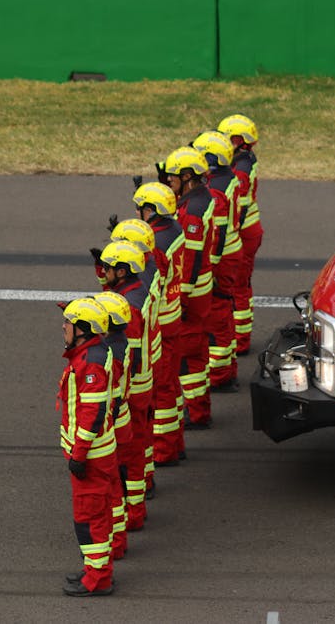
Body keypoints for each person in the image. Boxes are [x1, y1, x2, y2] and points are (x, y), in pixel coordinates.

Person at [58, 297, 116, 597]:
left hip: (90, 456)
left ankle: (97, 579)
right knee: (96, 517)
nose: (63, 327)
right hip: (97, 453)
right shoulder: (91, 354)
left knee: (88, 519)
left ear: (83, 329)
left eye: (68, 322)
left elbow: (92, 413)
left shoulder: (90, 363)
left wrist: (78, 455)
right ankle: (96, 569)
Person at [96, 243, 150, 531]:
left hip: (132, 396)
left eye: (107, 268)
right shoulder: (134, 293)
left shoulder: (129, 309)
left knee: (128, 463)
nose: (103, 273)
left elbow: (131, 359)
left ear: (122, 270)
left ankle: (134, 513)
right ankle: (135, 508)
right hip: (136, 390)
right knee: (134, 457)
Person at [131, 182, 186, 467]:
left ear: (151, 209)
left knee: (161, 388)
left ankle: (164, 450)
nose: (138, 212)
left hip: (161, 323)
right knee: (172, 383)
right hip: (174, 314)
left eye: (141, 208)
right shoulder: (175, 230)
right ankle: (176, 441)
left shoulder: (158, 242)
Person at [164, 146, 215, 430]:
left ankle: (196, 412)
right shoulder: (198, 200)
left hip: (192, 293)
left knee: (188, 355)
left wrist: (181, 295)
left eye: (172, 177)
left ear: (186, 176)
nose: (168, 181)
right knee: (197, 353)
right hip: (201, 289)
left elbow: (191, 258)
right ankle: (199, 406)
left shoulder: (192, 211)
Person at [192, 130, 242, 393]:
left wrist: (209, 265)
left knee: (218, 314)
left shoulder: (217, 189)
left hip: (222, 259)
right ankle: (227, 366)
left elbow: (218, 235)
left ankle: (220, 374)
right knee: (225, 310)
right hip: (231, 253)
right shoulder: (227, 179)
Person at [92, 289, 134, 560]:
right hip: (122, 419)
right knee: (118, 482)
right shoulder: (119, 342)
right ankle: (118, 536)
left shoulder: (111, 350)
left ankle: (116, 540)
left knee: (113, 486)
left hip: (114, 424)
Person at [217, 114, 262, 356]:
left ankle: (241, 339)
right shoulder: (243, 161)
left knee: (238, 287)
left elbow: (239, 208)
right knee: (241, 285)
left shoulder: (242, 168)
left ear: (238, 140)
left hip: (244, 233)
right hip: (248, 231)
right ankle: (239, 334)